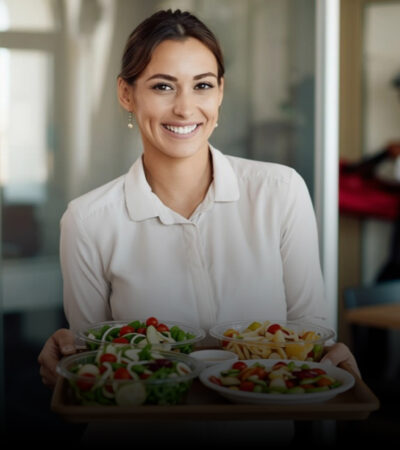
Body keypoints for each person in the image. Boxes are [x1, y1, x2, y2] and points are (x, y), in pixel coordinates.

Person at [38, 9, 360, 391]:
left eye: (202, 86)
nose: (186, 108)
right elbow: (96, 359)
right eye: (163, 86)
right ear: (127, 94)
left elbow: (311, 333)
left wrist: (330, 357)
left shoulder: (280, 191)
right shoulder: (88, 220)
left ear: (220, 91)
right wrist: (69, 353)